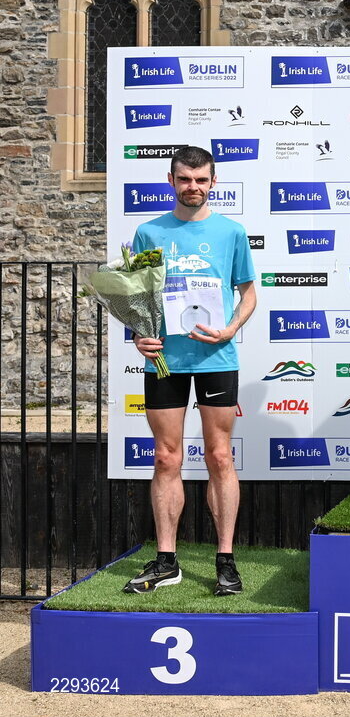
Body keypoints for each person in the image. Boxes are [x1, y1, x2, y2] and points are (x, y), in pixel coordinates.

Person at [124, 146, 257, 594]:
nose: (193, 187)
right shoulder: (148, 232)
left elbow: (249, 294)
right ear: (171, 180)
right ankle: (166, 560)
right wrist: (139, 336)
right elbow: (136, 298)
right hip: (165, 360)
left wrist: (231, 329)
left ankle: (225, 559)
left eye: (201, 180)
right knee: (166, 457)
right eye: (185, 179)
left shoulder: (232, 232)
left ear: (213, 181)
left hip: (217, 358)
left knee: (220, 456)